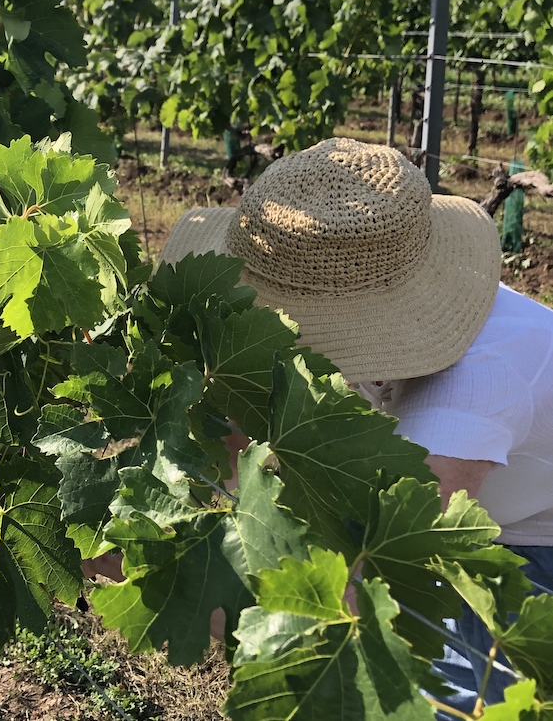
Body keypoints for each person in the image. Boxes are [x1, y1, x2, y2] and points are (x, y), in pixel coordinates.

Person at [155, 137, 553, 718]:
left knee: (484, 695)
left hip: (535, 549)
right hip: (487, 518)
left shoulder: (475, 390)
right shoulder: (404, 333)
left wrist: (160, 578)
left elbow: (351, 588)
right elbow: (244, 438)